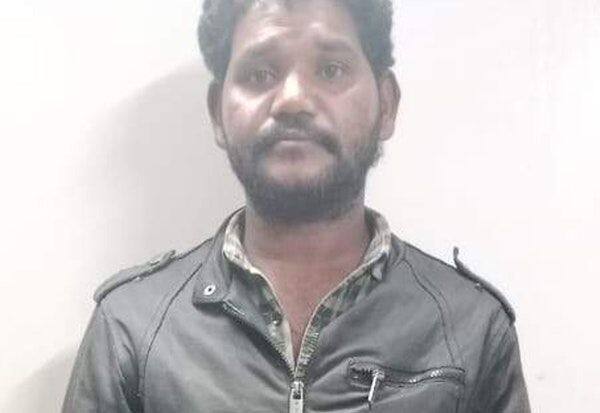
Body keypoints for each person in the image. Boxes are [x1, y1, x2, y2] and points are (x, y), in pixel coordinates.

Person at [62, 0, 530, 412]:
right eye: (259, 74)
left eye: (331, 70)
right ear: (217, 113)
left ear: (386, 104)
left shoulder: (470, 328)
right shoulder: (133, 328)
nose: (292, 100)